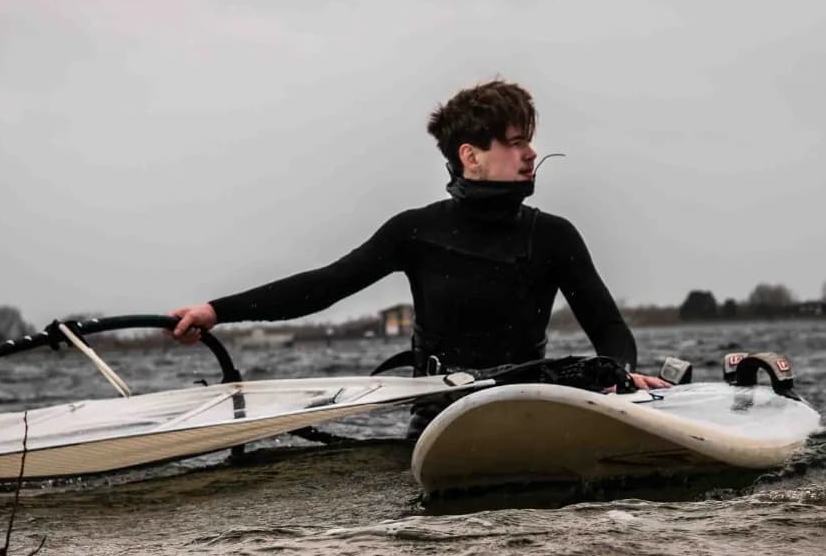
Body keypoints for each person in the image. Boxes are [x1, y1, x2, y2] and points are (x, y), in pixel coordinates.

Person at [167, 80, 669, 392]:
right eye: (516, 142)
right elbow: (323, 286)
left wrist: (618, 372)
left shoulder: (554, 237)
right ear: (471, 155)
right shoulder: (416, 231)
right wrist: (216, 311)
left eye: (529, 142)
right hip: (436, 413)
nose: (531, 153)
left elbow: (610, 331)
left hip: (526, 399)